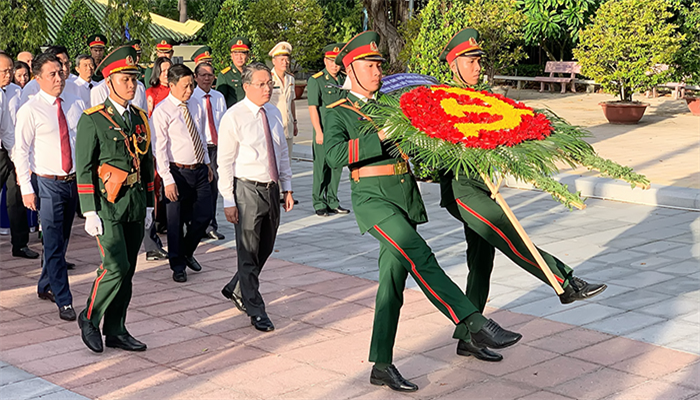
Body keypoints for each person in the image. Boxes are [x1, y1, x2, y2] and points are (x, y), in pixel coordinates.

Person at [323, 31, 522, 392]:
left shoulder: (391, 103)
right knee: (421, 257)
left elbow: (415, 149)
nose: (376, 72)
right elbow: (334, 156)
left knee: (392, 286)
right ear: (350, 69)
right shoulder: (338, 111)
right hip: (373, 202)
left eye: (379, 65)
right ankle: (473, 323)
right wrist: (380, 136)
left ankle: (381, 364)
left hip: (404, 198)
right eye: (369, 65)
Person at [435, 28, 607, 362]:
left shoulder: (483, 97)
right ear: (453, 64)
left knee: (481, 264)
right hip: (462, 191)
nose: (476, 67)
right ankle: (565, 281)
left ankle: (468, 337)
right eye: (469, 61)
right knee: (510, 235)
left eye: (478, 60)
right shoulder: (441, 99)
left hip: (485, 187)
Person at [75, 45, 154, 353]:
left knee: (129, 269)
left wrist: (149, 203)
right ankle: (90, 317)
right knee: (115, 266)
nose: (131, 84)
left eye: (134, 78)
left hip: (134, 202)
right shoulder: (93, 119)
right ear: (109, 82)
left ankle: (117, 328)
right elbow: (83, 168)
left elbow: (147, 162)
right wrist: (89, 211)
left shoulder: (139, 118)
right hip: (106, 205)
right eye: (124, 79)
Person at [218, 62, 294, 332]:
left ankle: (236, 285)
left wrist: (287, 187)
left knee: (266, 247)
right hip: (247, 189)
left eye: (269, 83)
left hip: (271, 188)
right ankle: (255, 307)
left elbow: (282, 152)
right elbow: (224, 162)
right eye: (261, 84)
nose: (267, 88)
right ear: (246, 86)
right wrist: (228, 199)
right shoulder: (234, 116)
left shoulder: (272, 113)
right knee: (248, 251)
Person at [13, 53, 86, 321]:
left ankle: (45, 284)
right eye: (52, 74)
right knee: (54, 242)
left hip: (73, 181)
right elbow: (20, 151)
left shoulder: (75, 103)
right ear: (38, 78)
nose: (59, 78)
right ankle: (63, 299)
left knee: (62, 240)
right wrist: (26, 188)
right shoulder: (30, 110)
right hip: (47, 183)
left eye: (61, 72)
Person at [150, 64, 213, 283]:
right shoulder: (162, 111)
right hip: (176, 172)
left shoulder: (195, 104)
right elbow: (159, 149)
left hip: (199, 169)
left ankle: (187, 251)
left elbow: (201, 136)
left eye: (191, 85)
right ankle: (178, 265)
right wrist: (167, 180)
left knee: (204, 214)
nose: (189, 90)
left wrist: (207, 163)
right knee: (175, 222)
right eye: (185, 86)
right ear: (171, 85)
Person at [0, 53, 37, 260]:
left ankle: (20, 244)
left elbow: (8, 129)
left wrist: (18, 157)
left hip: (10, 151)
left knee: (16, 196)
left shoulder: (15, 92)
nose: (9, 74)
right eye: (4, 71)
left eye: (10, 70)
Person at [307, 43, 349, 217]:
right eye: (331, 61)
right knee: (321, 167)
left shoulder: (344, 79)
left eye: (337, 62)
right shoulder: (316, 80)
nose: (334, 65)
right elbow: (312, 107)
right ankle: (319, 202)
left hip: (339, 132)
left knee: (336, 166)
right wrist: (318, 131)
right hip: (324, 130)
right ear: (325, 60)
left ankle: (332, 200)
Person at [142, 56, 172, 261]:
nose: (167, 74)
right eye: (163, 71)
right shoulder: (151, 93)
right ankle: (150, 239)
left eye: (170, 70)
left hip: (175, 149)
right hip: (156, 146)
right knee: (154, 189)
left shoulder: (178, 91)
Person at [191, 62, 226, 241]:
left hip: (216, 148)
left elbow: (224, 124)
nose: (206, 78)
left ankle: (211, 225)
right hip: (198, 150)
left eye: (210, 75)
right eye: (203, 75)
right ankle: (196, 225)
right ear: (195, 77)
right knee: (199, 190)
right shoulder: (191, 97)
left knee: (214, 188)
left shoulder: (219, 97)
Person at [268, 42, 298, 157]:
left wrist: (295, 122)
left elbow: (292, 102)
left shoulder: (290, 79)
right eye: (281, 60)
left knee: (287, 163)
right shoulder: (268, 78)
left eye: (286, 59)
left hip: (288, 127)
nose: (285, 63)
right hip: (273, 126)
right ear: (274, 61)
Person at [216, 37, 250, 108]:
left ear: (248, 56)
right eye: (236, 54)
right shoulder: (225, 75)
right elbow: (220, 101)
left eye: (242, 53)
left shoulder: (252, 73)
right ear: (231, 56)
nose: (239, 57)